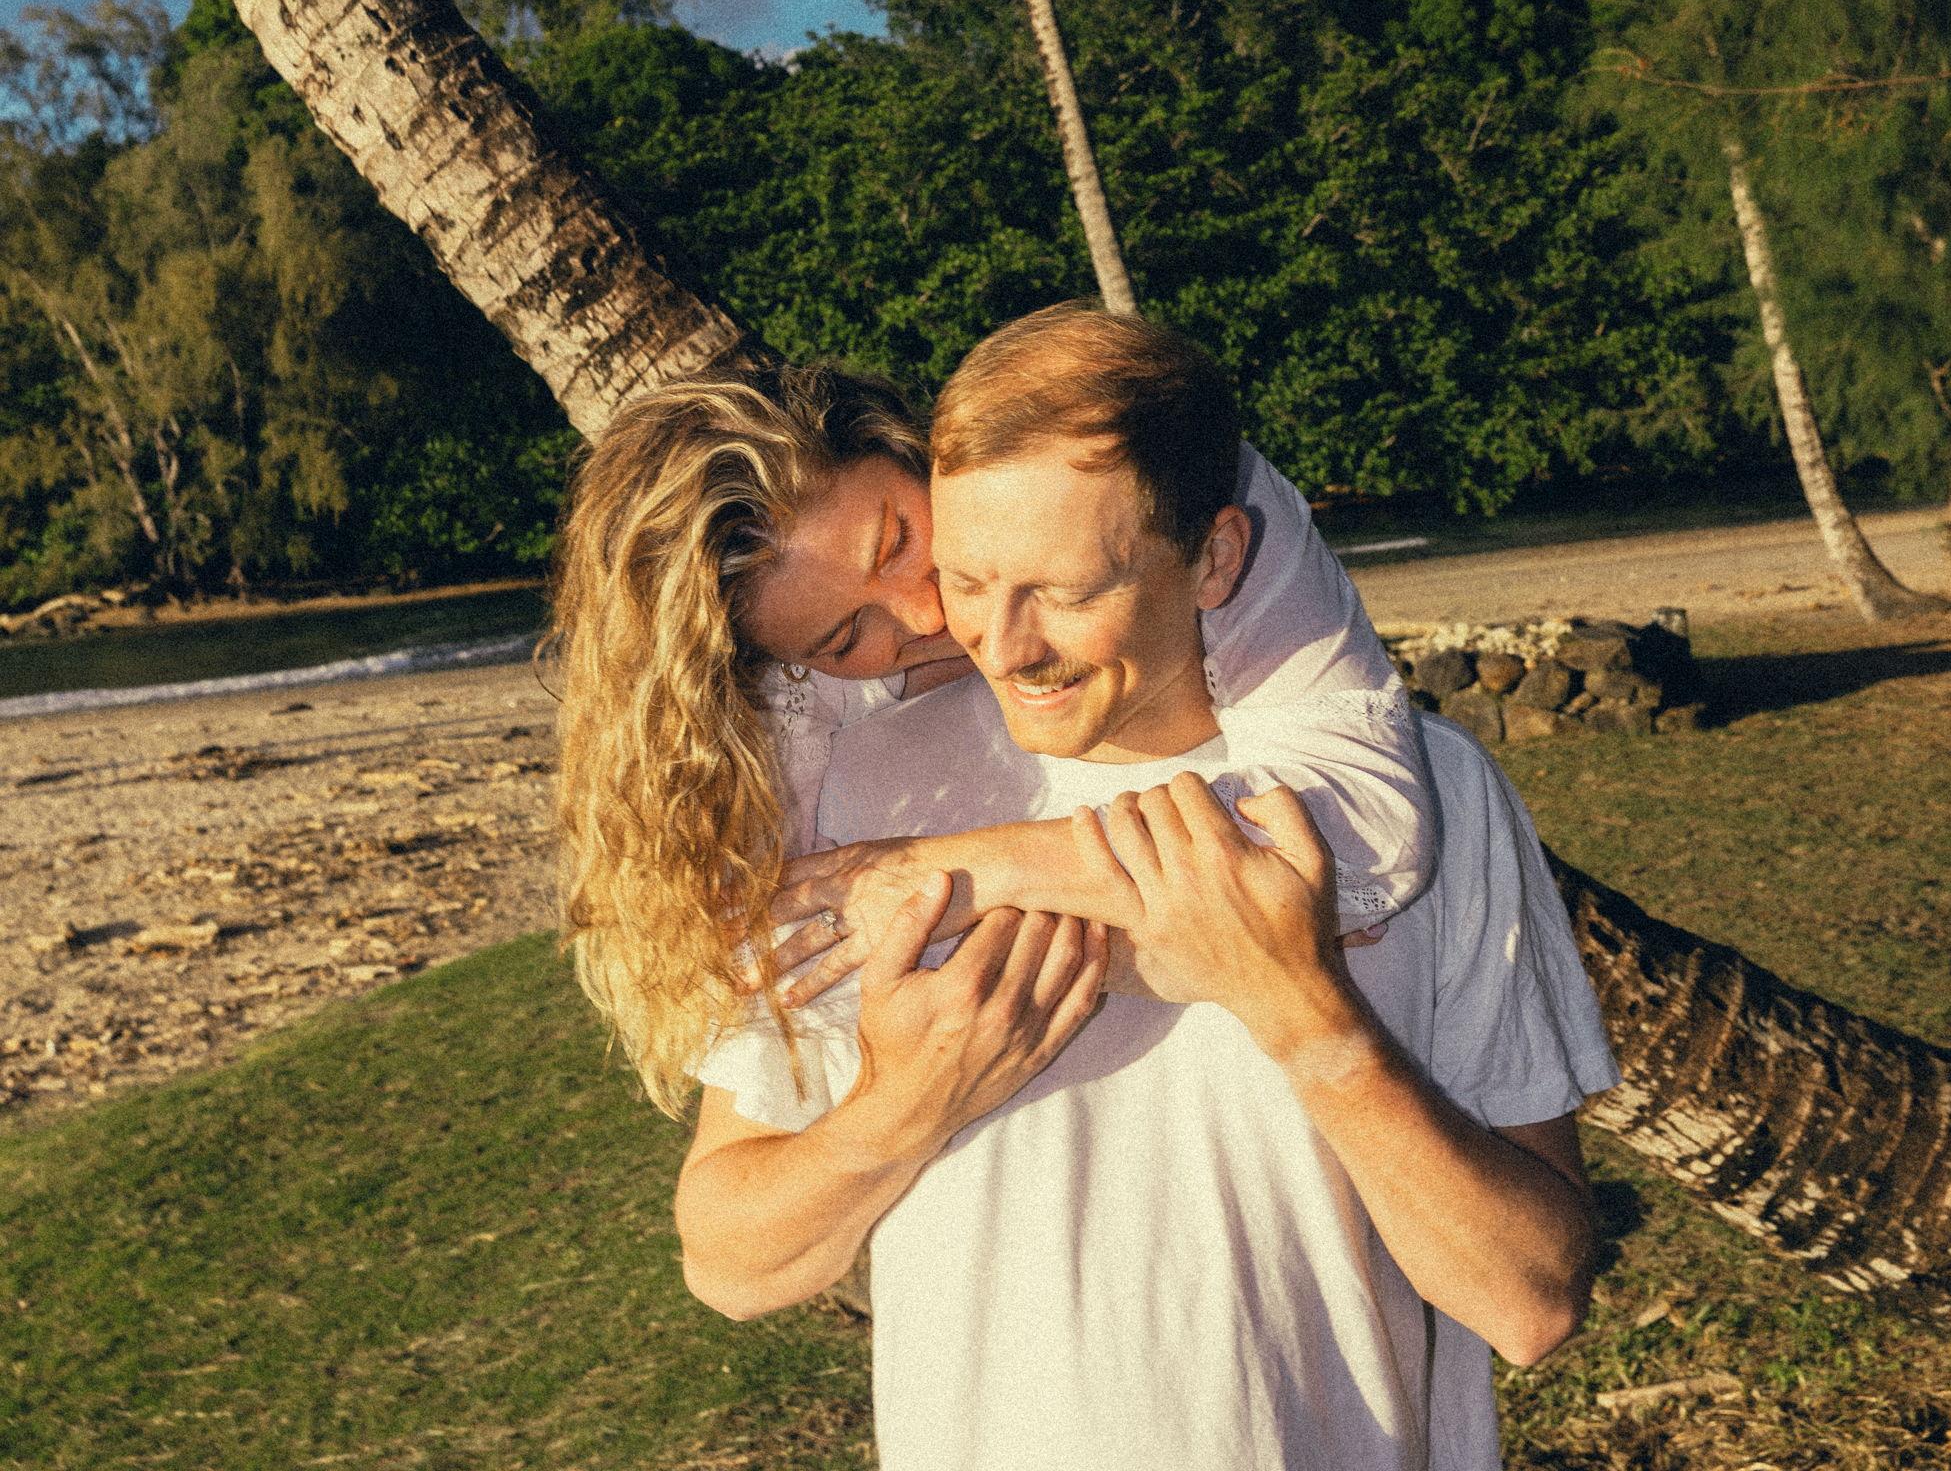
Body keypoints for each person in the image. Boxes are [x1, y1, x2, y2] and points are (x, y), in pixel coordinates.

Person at [675, 306, 1617, 1470]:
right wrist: (903, 1105)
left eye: (1066, 589)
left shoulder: (1433, 793)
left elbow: (1532, 1299)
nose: (996, 643)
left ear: (1216, 554)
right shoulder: (856, 802)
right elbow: (727, 1258)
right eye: (966, 579)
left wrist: (1307, 1016)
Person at [545, 343, 1434, 1125]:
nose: (927, 614)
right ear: (786, 666)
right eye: (846, 639)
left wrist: (946, 873)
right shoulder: (798, 724)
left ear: (910, 452)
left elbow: (1371, 834)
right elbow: (773, 982)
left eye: (899, 542)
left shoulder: (1134, 484)